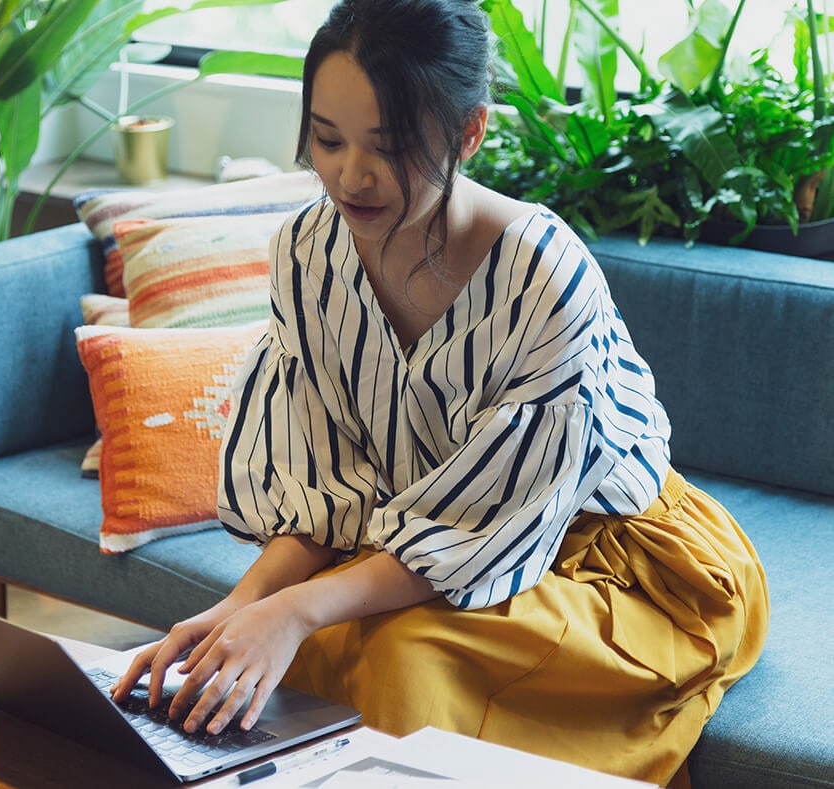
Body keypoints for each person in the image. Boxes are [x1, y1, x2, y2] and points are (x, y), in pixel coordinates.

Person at [112, 0, 769, 784]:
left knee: (395, 655)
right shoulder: (307, 252)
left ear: (468, 133)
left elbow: (484, 525)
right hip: (423, 543)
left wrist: (296, 608)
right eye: (326, 138)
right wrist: (239, 608)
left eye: (388, 147)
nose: (349, 175)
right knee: (298, 645)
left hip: (616, 561)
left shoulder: (542, 274)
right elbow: (330, 491)